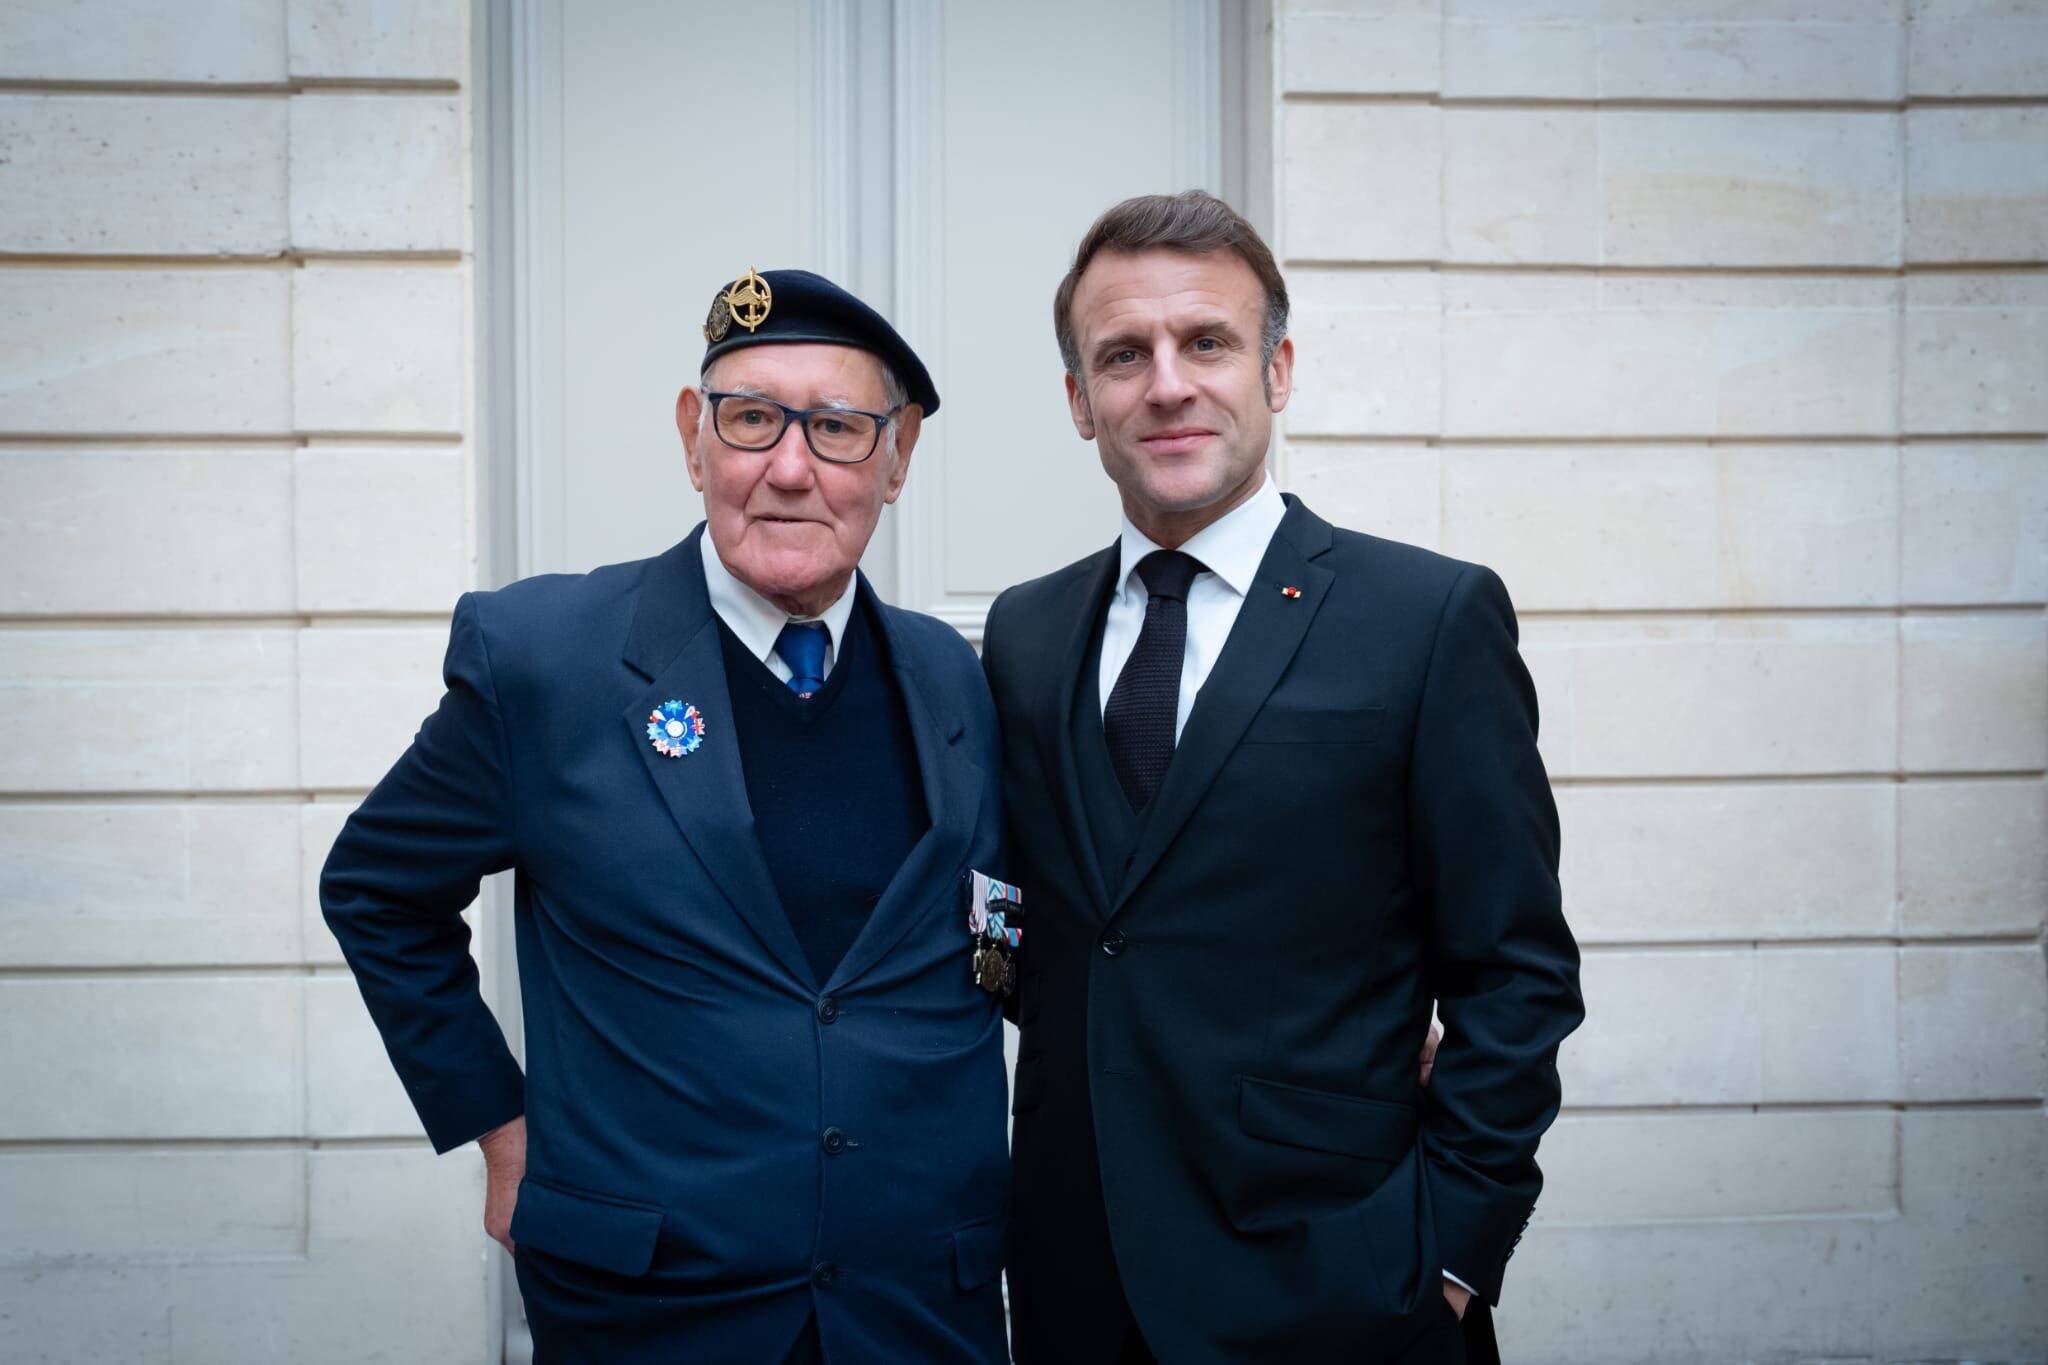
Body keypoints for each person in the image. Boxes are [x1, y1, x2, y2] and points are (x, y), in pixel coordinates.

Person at [322, 269, 1010, 1363]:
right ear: (695, 439)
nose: (788, 468)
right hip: (649, 1304)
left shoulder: (953, 678)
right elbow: (375, 890)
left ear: (897, 459)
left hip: (919, 1300)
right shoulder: (547, 657)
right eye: (750, 420)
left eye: (835, 428)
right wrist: (497, 1124)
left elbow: (1002, 938)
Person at [981, 191, 1585, 1364]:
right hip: (1073, 1281)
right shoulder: (1024, 631)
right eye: (1122, 355)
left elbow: (1514, 971)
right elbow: (1034, 931)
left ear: (1277, 369)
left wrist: (1450, 1255)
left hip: (1344, 1284)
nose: (1165, 384)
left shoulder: (1425, 617)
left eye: (1204, 342)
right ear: (1077, 402)